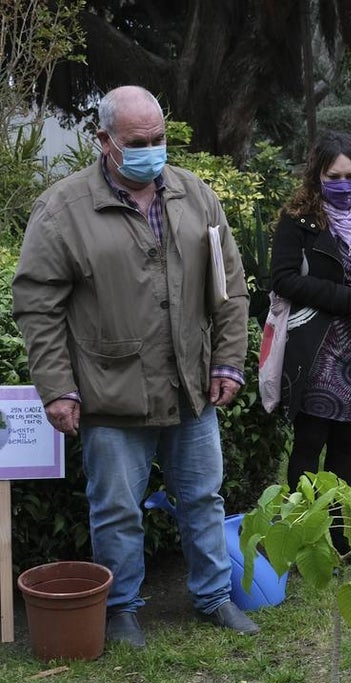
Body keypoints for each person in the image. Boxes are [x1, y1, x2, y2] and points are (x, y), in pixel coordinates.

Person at [12, 85, 258, 648]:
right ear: (103, 141)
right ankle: (121, 608)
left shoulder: (196, 196)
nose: (152, 150)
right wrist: (57, 388)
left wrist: (227, 360)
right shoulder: (62, 210)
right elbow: (37, 304)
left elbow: (231, 290)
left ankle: (214, 597)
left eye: (159, 139)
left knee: (203, 498)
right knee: (117, 509)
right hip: (110, 393)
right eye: (137, 142)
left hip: (190, 386)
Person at [269, 130, 351, 495]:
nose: (344, 185)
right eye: (334, 177)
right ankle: (302, 534)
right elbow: (283, 279)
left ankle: (341, 540)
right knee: (309, 447)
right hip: (316, 355)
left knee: (347, 450)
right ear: (317, 177)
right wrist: (350, 299)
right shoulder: (298, 222)